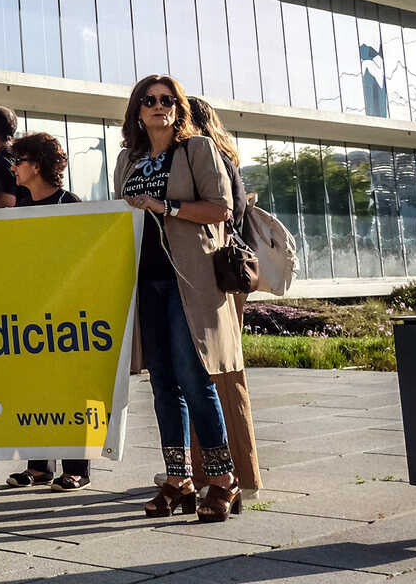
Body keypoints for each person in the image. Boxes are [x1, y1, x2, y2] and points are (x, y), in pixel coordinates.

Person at [115, 74, 243, 522]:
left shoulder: (196, 150)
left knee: (195, 379)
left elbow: (221, 209)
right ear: (137, 109)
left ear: (178, 107)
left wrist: (166, 207)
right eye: (149, 100)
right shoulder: (127, 159)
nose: (158, 106)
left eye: (167, 100)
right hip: (146, 280)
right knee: (163, 383)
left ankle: (224, 478)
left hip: (188, 281)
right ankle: (178, 477)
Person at [0, 133, 91, 491]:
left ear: (35, 166)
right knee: (33, 389)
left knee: (70, 390)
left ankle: (77, 467)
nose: (13, 168)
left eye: (18, 161)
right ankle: (38, 466)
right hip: (30, 312)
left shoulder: (71, 204)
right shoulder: (21, 206)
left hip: (67, 314)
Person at [184, 97, 261, 498]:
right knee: (223, 376)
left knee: (214, 375)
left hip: (215, 280)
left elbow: (220, 216)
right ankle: (230, 472)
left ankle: (220, 473)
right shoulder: (224, 158)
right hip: (228, 279)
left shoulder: (205, 158)